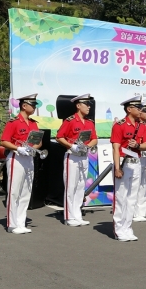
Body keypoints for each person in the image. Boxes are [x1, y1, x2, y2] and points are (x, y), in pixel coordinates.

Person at [0, 93, 42, 234]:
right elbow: (4, 141)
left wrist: (31, 149)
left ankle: (21, 222)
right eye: (33, 104)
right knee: (14, 191)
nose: (35, 107)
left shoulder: (34, 123)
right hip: (16, 157)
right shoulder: (13, 122)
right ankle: (12, 224)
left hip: (28, 157)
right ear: (24, 106)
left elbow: (39, 142)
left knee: (26, 191)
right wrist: (19, 148)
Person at [55, 93, 98, 227]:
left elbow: (94, 139)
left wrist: (87, 146)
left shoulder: (89, 122)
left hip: (84, 156)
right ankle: (69, 216)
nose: (89, 107)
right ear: (79, 106)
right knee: (71, 186)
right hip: (72, 157)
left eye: (90, 105)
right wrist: (71, 146)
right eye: (87, 105)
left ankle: (77, 215)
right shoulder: (70, 121)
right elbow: (59, 137)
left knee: (80, 186)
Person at [110, 96, 146, 241]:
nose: (140, 110)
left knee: (132, 197)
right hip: (123, 162)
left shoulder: (142, 125)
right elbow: (116, 147)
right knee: (121, 197)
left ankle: (128, 227)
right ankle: (119, 229)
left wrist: (137, 145)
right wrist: (117, 168)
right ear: (129, 109)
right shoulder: (119, 125)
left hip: (136, 161)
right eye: (138, 108)